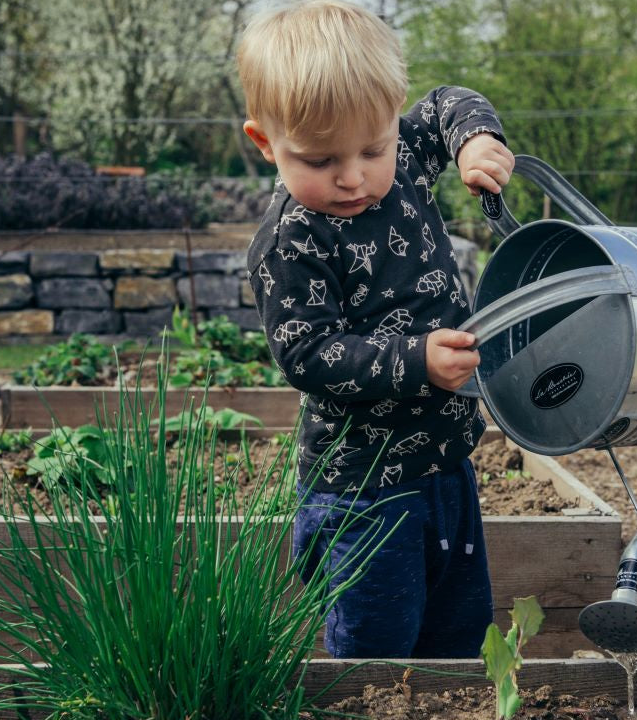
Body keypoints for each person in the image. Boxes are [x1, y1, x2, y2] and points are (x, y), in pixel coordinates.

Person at [237, 0, 514, 659]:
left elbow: (448, 102)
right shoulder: (290, 242)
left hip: (448, 461)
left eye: (373, 148)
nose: (353, 176)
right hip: (364, 488)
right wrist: (414, 360)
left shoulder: (410, 158)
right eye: (319, 159)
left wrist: (475, 139)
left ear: (393, 122)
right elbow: (307, 352)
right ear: (265, 143)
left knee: (458, 627)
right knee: (377, 644)